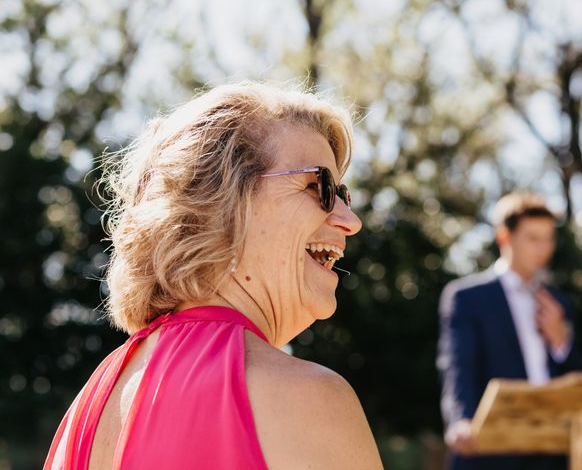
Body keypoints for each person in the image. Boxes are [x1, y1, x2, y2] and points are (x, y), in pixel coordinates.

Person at [44, 82, 383, 469]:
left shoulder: (86, 411)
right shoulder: (308, 398)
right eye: (320, 186)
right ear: (221, 202)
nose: (350, 221)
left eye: (344, 195)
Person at [437, 193, 582, 470]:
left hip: (551, 453)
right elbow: (457, 367)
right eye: (533, 238)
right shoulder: (467, 297)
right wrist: (460, 421)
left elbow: (577, 379)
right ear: (505, 237)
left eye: (549, 238)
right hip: (491, 450)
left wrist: (561, 342)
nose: (544, 248)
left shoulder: (559, 303)